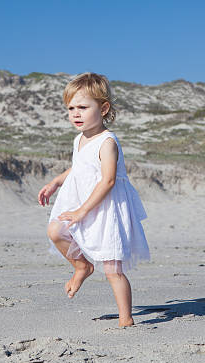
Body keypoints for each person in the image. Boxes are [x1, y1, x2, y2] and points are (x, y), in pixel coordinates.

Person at [37, 72, 150, 327]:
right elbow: (79, 169)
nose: (76, 113)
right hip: (81, 204)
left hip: (105, 208)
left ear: (104, 108)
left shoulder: (107, 142)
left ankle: (126, 318)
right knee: (55, 230)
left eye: (83, 107)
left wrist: (81, 212)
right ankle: (82, 267)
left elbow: (108, 180)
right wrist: (56, 181)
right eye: (71, 108)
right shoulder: (79, 139)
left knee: (112, 269)